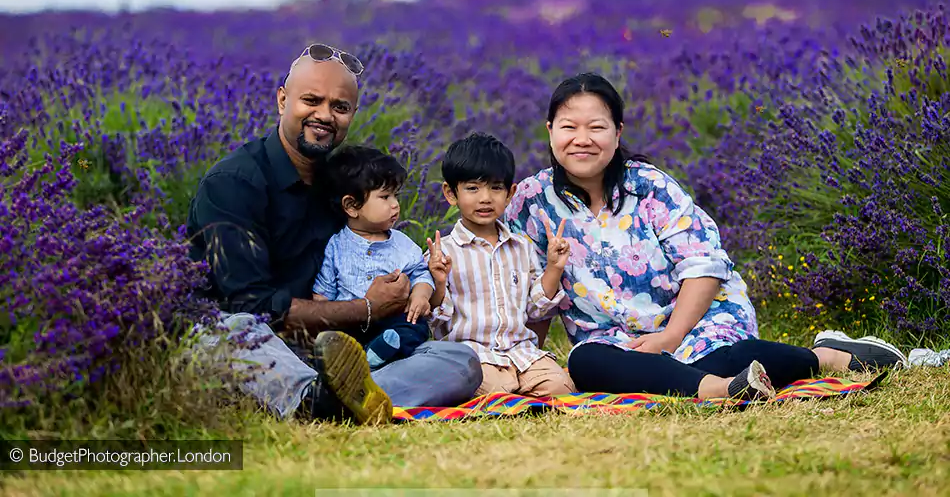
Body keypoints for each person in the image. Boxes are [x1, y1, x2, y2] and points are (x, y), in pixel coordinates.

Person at [505, 72, 908, 400]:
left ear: (617, 131)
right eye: (568, 127)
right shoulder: (531, 201)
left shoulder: (650, 187)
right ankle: (721, 390)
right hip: (612, 341)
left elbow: (703, 263)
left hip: (693, 319)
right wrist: (529, 358)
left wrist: (671, 336)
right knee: (587, 364)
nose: (582, 139)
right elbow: (526, 289)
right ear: (550, 130)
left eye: (596, 127)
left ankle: (824, 358)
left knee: (723, 359)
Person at [186, 43, 482, 425]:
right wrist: (368, 308)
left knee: (460, 361)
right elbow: (252, 307)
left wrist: (420, 283)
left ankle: (330, 399)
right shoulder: (233, 184)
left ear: (352, 114)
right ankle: (325, 398)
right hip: (263, 345)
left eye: (339, 107)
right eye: (311, 100)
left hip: (341, 349)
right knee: (226, 331)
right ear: (282, 100)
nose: (325, 115)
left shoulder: (343, 182)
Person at [425, 132, 577, 398]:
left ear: (510, 193)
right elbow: (436, 316)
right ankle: (511, 390)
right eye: (472, 188)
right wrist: (438, 281)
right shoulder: (444, 253)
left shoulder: (521, 247)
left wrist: (554, 267)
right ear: (451, 193)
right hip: (472, 356)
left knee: (561, 387)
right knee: (493, 390)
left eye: (496, 188)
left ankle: (522, 386)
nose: (485, 198)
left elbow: (536, 307)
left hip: (521, 351)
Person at [313, 145, 436, 369]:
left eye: (395, 196)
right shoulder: (336, 246)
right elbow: (323, 293)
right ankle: (360, 360)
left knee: (415, 326)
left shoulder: (402, 244)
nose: (395, 204)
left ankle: (374, 357)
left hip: (392, 321)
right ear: (351, 206)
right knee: (335, 338)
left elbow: (421, 274)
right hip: (352, 321)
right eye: (385, 197)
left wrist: (421, 296)